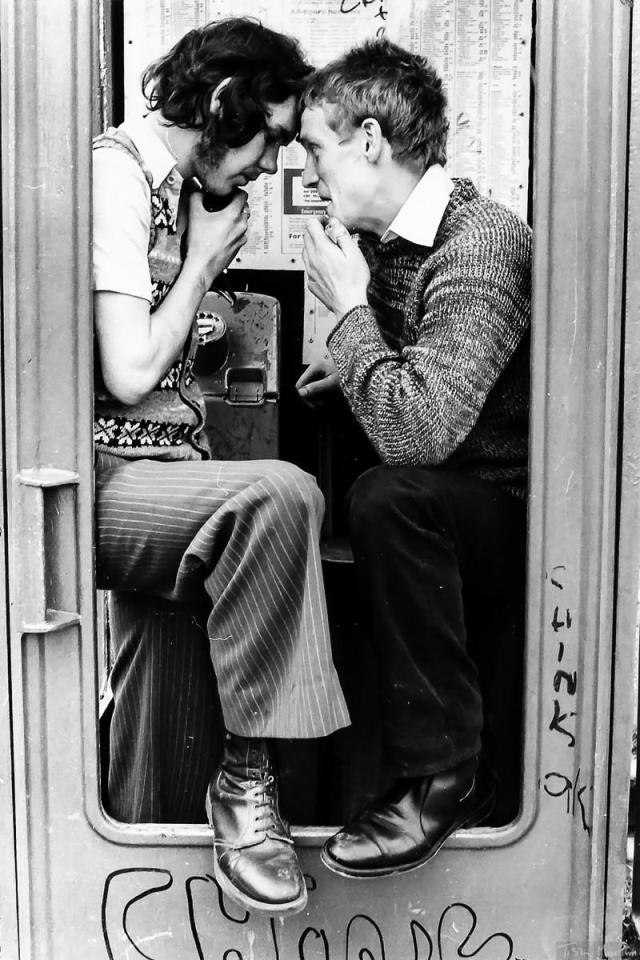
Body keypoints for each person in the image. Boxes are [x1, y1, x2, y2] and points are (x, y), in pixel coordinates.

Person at [92, 17, 349, 916]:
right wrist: (201, 265)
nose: (271, 164)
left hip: (159, 477)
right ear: (216, 106)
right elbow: (127, 373)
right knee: (282, 496)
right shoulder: (117, 177)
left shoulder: (174, 192)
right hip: (98, 487)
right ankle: (249, 784)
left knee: (165, 708)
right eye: (270, 136)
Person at [296, 38, 531, 878]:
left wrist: (353, 317)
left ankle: (442, 778)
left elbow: (420, 434)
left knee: (389, 494)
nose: (311, 172)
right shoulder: (396, 239)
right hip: (450, 506)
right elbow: (413, 372)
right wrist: (352, 368)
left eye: (317, 149)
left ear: (368, 140)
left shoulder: (479, 244)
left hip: (503, 518)